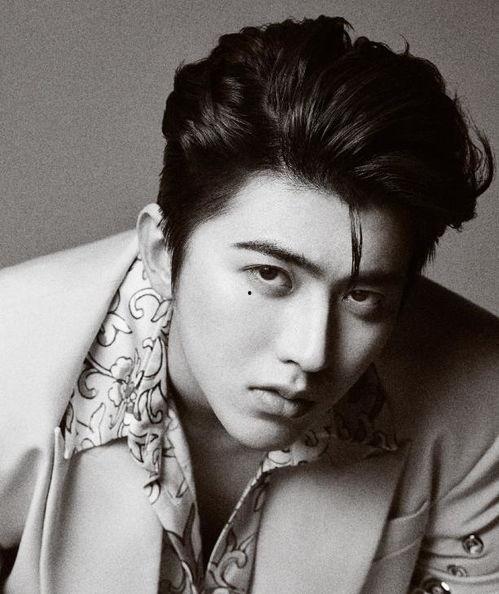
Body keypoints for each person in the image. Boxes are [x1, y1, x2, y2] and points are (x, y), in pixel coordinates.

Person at [0, 15, 497, 594]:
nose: (312, 352)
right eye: (269, 274)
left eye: (361, 296)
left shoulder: (478, 401)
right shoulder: (11, 356)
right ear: (161, 252)